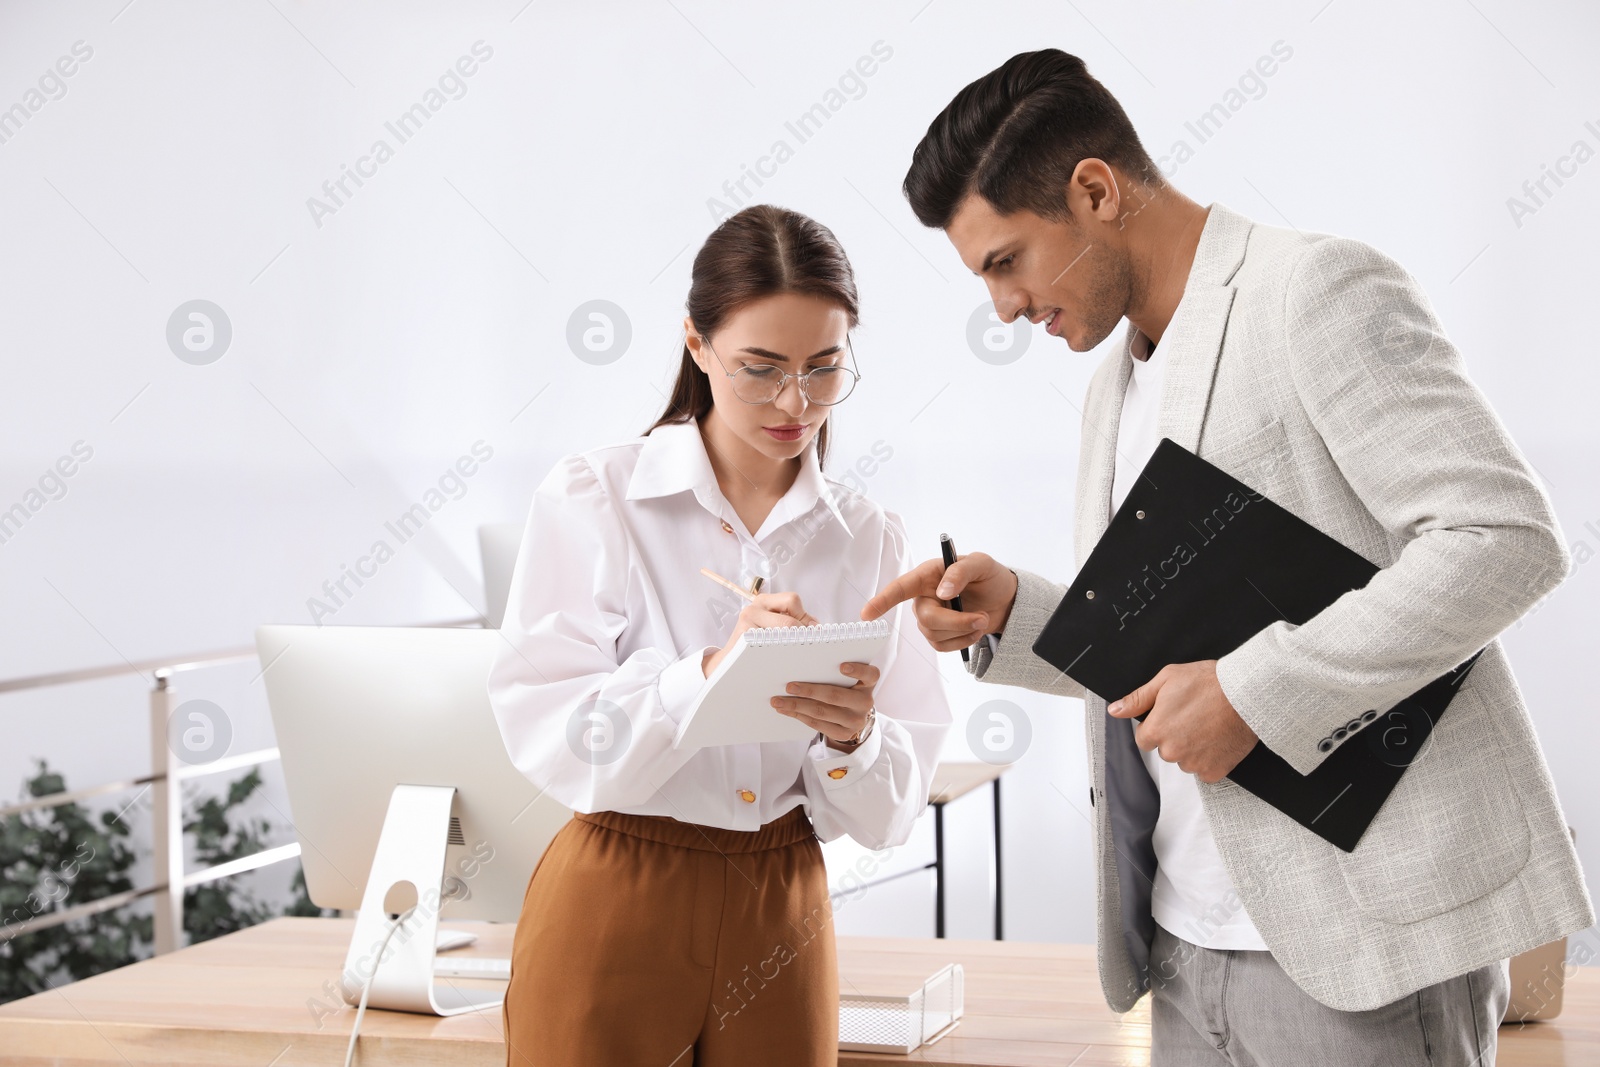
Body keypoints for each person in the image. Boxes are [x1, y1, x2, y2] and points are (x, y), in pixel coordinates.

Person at [862, 49, 1593, 1066]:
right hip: (1185, 945)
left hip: (1355, 952)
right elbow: (1181, 629)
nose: (1003, 306)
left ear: (1094, 190)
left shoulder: (1314, 289)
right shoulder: (1113, 383)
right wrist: (1014, 614)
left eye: (1005, 260)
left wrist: (1256, 691)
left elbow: (1500, 537)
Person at [487, 203, 952, 1066]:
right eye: (760, 368)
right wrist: (707, 672)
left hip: (784, 897)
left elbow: (889, 814)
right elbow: (547, 730)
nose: (794, 402)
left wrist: (852, 736)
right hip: (619, 884)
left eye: (823, 369)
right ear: (697, 347)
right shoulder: (598, 496)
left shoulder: (869, 538)